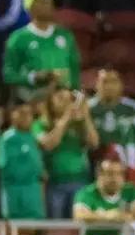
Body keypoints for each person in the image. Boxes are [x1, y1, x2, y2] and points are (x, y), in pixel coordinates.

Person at [34, 86, 99, 219]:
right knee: (57, 228)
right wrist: (66, 118)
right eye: (60, 98)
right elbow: (49, 144)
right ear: (50, 102)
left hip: (80, 182)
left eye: (69, 99)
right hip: (55, 183)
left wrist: (85, 115)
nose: (65, 103)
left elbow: (94, 143)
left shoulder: (79, 123)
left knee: (78, 227)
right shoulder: (40, 124)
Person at [2, 0, 81, 100]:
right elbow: (9, 74)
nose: (47, 4)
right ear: (30, 7)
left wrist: (74, 91)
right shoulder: (18, 38)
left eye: (49, 2)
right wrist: (33, 77)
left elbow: (75, 68)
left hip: (64, 97)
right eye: (42, 2)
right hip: (33, 97)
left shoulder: (66, 36)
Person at [89, 68, 135, 181]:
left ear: (121, 85)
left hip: (127, 163)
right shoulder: (88, 108)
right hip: (96, 163)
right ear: (96, 84)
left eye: (113, 82)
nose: (109, 86)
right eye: (104, 82)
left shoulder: (133, 108)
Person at [0, 102, 46, 219]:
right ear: (13, 115)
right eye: (22, 113)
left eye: (29, 114)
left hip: (33, 192)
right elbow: (4, 167)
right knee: (17, 231)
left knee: (35, 228)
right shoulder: (8, 138)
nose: (26, 117)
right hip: (15, 193)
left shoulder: (33, 137)